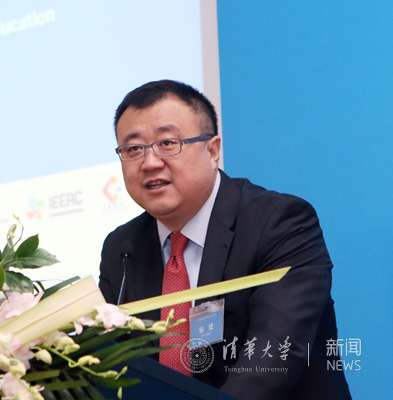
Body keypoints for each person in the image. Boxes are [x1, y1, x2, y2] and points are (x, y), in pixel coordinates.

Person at [98, 80, 351, 400]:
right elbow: (108, 366)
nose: (149, 163)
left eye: (167, 143)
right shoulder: (122, 247)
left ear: (213, 149)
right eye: (134, 149)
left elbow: (270, 363)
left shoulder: (280, 223)